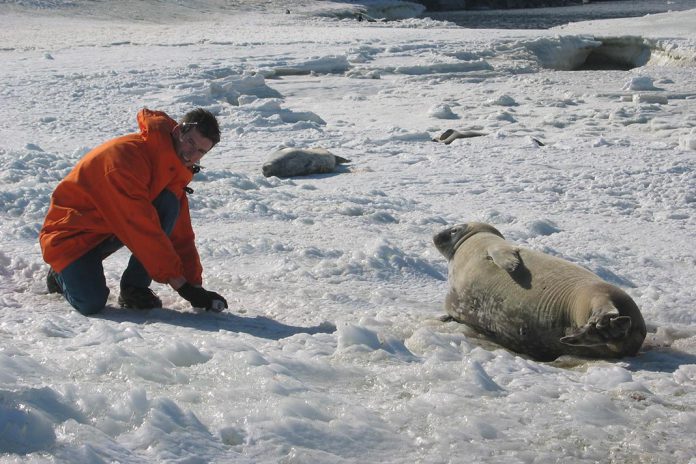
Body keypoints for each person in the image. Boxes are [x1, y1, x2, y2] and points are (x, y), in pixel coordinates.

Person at [40, 108, 228, 315]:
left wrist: (195, 286)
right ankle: (59, 274)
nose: (191, 154)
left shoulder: (173, 168)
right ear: (177, 131)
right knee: (91, 303)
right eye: (190, 142)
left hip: (107, 230)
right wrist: (182, 286)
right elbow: (140, 228)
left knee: (168, 203)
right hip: (69, 237)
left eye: (201, 151)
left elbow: (180, 233)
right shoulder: (126, 160)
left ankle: (134, 289)